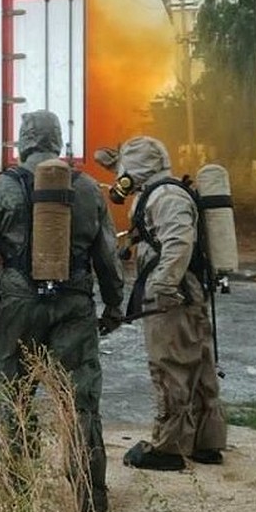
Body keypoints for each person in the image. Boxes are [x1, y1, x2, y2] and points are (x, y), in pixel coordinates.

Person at [0, 110, 125, 512]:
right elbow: (107, 255)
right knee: (81, 398)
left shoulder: (4, 188)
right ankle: (90, 496)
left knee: (16, 395)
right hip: (74, 305)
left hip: (20, 303)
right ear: (58, 145)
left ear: (23, 143)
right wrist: (115, 304)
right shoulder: (87, 189)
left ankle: (17, 491)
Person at [103, 134, 226, 471]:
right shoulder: (159, 192)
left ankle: (168, 448)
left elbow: (178, 242)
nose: (121, 177)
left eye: (125, 169)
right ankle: (206, 442)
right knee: (197, 363)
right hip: (185, 291)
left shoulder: (166, 197)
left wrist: (162, 285)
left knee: (169, 365)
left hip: (173, 293)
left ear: (138, 168)